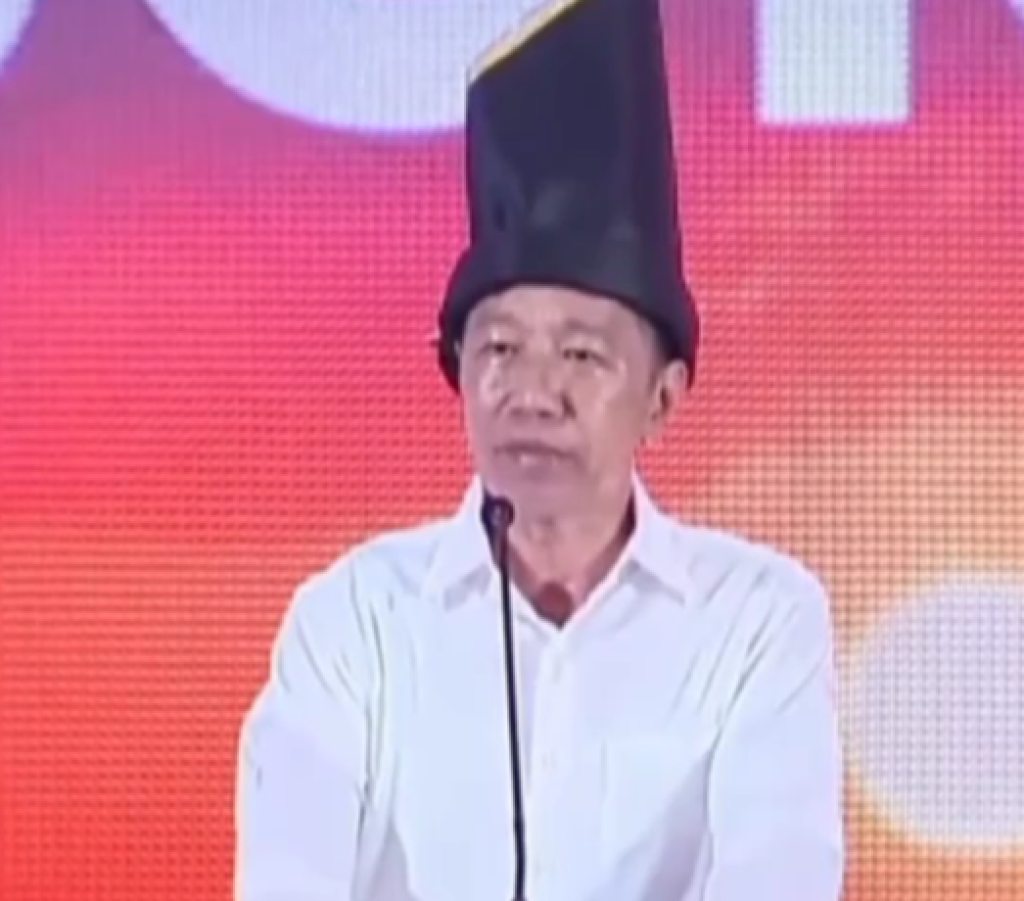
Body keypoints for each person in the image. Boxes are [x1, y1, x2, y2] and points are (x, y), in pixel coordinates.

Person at [234, 0, 845, 898]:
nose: (531, 392)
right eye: (499, 348)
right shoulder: (355, 621)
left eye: (582, 355)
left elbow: (779, 875)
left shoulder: (756, 619)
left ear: (664, 396)